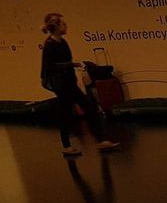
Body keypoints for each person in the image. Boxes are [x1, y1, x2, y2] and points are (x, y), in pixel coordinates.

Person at [40, 13, 119, 156]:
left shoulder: (63, 42)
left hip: (70, 83)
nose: (66, 26)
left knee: (89, 108)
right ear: (56, 27)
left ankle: (100, 140)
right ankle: (66, 145)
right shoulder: (50, 46)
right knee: (66, 115)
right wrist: (71, 64)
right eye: (63, 24)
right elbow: (49, 66)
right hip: (61, 86)